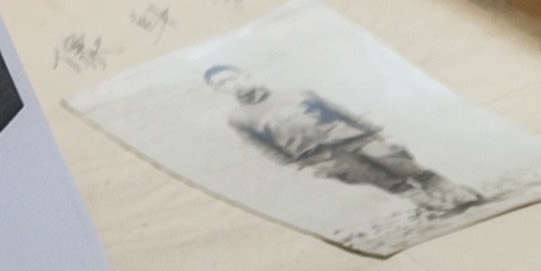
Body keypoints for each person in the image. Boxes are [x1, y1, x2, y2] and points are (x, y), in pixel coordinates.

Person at [206, 64, 482, 218]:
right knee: (384, 181)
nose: (232, 84)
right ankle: (438, 208)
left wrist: (380, 133)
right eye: (223, 84)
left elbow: (342, 113)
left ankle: (459, 195)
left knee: (405, 166)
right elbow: (265, 148)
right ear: (219, 91)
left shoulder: (296, 92)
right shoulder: (238, 118)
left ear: (245, 74)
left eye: (232, 78)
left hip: (355, 138)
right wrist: (300, 167)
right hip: (321, 157)